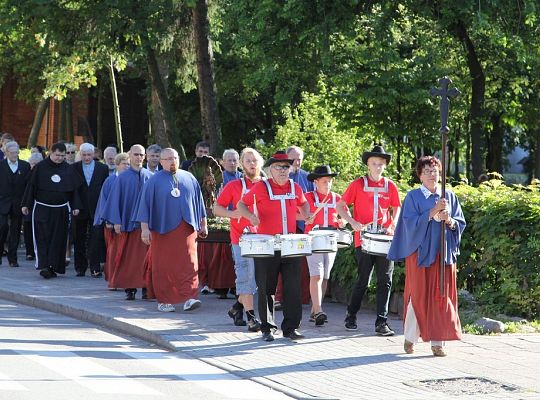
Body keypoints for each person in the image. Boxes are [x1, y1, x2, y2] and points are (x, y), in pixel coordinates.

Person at [388, 156, 466, 357]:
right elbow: (408, 225)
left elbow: (459, 223)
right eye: (428, 171)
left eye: (436, 170)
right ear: (420, 175)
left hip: (443, 253)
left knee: (441, 295)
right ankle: (410, 337)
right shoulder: (413, 197)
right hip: (420, 254)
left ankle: (438, 343)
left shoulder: (448, 195)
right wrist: (432, 212)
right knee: (419, 295)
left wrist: (448, 219)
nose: (433, 174)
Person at [237, 151, 313, 342]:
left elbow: (304, 205)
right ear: (270, 169)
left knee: (293, 287)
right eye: (279, 167)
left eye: (286, 167)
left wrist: (306, 214)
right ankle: (267, 328)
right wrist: (250, 216)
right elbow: (241, 204)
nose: (283, 171)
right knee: (266, 288)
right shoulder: (261, 187)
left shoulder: (295, 187)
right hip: (266, 244)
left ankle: (291, 328)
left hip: (289, 244)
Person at [336, 145, 401, 336]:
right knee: (363, 279)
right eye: (374, 163)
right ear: (368, 165)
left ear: (385, 165)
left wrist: (393, 224)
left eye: (381, 163)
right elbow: (341, 205)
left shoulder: (390, 185)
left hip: (384, 238)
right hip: (363, 239)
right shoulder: (357, 184)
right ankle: (351, 314)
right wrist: (352, 222)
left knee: (385, 280)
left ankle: (382, 322)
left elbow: (397, 207)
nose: (378, 166)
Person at [136, 148, 207, 312]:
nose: (172, 161)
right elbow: (144, 206)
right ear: (161, 161)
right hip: (162, 229)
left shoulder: (189, 177)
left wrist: (203, 224)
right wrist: (144, 229)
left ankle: (190, 297)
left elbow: (199, 202)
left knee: (189, 263)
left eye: (174, 158)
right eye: (168, 159)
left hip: (187, 227)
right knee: (164, 264)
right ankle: (164, 300)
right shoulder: (153, 181)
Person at [213, 147, 263, 331]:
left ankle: (236, 308)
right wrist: (232, 214)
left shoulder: (266, 185)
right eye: (248, 161)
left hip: (263, 239)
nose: (252, 164)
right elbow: (216, 208)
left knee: (256, 280)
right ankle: (251, 319)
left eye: (255, 160)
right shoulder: (234, 185)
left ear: (260, 164)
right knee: (245, 278)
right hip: (240, 239)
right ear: (242, 164)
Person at [21, 142, 82, 279]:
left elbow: (74, 191)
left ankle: (54, 266)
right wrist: (26, 204)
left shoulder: (68, 169)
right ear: (50, 153)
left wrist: (76, 206)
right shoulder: (40, 168)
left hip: (61, 210)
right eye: (57, 155)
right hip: (42, 208)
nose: (59, 158)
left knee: (59, 239)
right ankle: (44, 265)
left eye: (62, 155)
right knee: (42, 237)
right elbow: (31, 187)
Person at [101, 144, 152, 299]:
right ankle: (130, 288)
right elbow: (115, 199)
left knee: (147, 259)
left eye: (141, 155)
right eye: (136, 155)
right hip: (128, 225)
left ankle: (146, 287)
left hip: (146, 226)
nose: (139, 158)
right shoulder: (122, 178)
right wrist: (116, 221)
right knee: (129, 258)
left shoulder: (151, 177)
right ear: (130, 156)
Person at [304, 165, 342, 326]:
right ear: (316, 182)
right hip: (313, 238)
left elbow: (345, 216)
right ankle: (319, 310)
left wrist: (343, 221)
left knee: (325, 276)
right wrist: (306, 217)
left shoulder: (337, 198)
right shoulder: (308, 197)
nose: (328, 184)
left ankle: (315, 310)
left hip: (331, 238)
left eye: (330, 181)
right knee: (316, 275)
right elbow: (296, 213)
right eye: (325, 181)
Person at [72, 143, 110, 277]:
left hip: (97, 207)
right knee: (79, 237)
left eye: (89, 154)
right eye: (84, 155)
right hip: (80, 207)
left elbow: (105, 189)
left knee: (96, 237)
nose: (87, 157)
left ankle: (95, 267)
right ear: (80, 154)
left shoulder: (102, 168)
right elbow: (73, 189)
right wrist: (75, 206)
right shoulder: (74, 168)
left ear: (93, 154)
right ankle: (80, 267)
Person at [93, 152, 130, 283]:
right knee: (112, 251)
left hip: (126, 222)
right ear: (117, 164)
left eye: (128, 164)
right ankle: (112, 278)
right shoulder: (110, 181)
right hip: (111, 222)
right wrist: (107, 219)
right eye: (124, 163)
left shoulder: (131, 180)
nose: (127, 166)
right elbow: (104, 201)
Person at [0, 141, 31, 267]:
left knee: (15, 231)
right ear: (6, 152)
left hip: (18, 203)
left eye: (17, 153)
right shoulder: (1, 166)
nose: (15, 155)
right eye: (12, 153)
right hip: (2, 202)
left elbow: (27, 186)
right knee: (2, 227)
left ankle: (13, 258)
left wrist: (26, 203)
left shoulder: (25, 166)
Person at [23, 152, 43, 261]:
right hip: (29, 204)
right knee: (27, 228)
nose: (33, 166)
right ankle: (29, 252)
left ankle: (38, 251)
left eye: (36, 164)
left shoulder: (43, 174)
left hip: (40, 204)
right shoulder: (27, 174)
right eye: (32, 163)